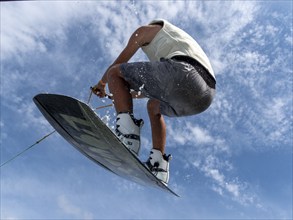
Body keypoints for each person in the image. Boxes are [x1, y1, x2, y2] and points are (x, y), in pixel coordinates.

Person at [92, 19, 216, 185]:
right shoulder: (175, 45)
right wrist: (117, 94)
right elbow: (146, 90)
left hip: (185, 71)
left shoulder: (148, 30)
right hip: (204, 97)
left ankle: (128, 135)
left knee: (115, 72)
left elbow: (121, 63)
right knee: (153, 105)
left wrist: (102, 83)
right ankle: (158, 165)